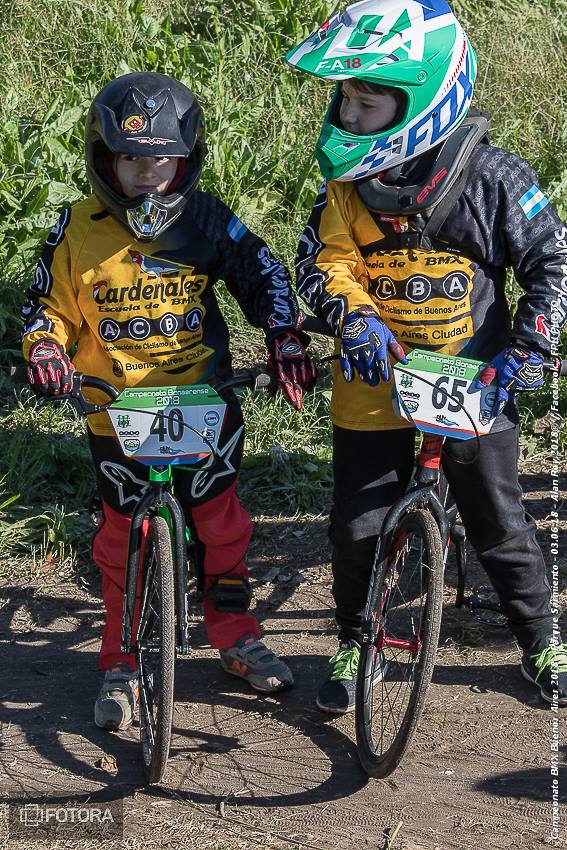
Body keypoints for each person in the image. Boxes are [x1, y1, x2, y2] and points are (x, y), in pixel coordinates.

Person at [286, 0, 567, 713]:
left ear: (424, 102)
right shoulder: (344, 188)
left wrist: (529, 349)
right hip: (373, 383)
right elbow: (320, 264)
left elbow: (551, 262)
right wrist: (352, 319)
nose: (347, 118)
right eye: (343, 101)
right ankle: (356, 637)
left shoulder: (496, 180)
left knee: (498, 519)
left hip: (475, 379)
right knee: (357, 527)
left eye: (366, 103)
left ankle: (539, 639)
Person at [21, 72, 317, 731]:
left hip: (203, 402)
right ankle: (119, 659)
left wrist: (283, 337)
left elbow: (262, 274)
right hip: (114, 410)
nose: (145, 173)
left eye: (160, 158)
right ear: (104, 159)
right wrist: (45, 348)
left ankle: (235, 634)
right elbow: (44, 306)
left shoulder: (208, 217)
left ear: (185, 158)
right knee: (121, 536)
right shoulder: (74, 227)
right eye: (129, 158)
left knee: (221, 523)